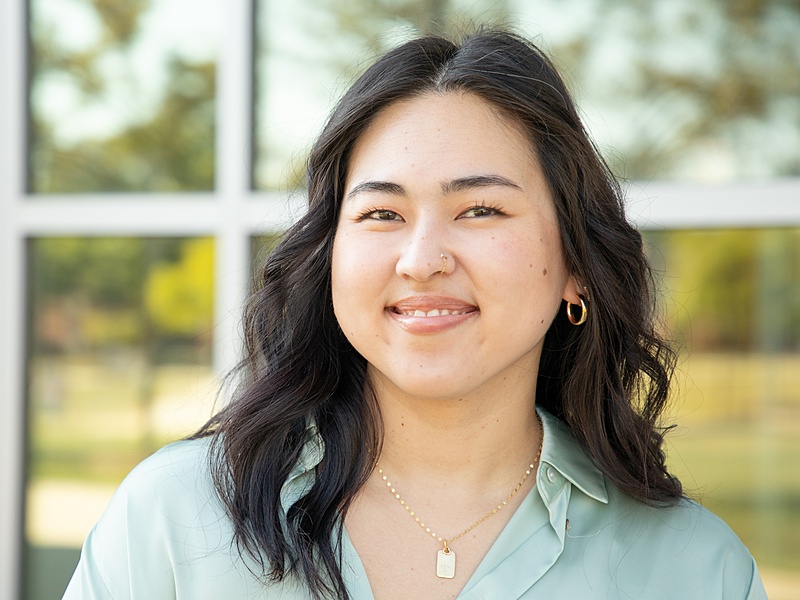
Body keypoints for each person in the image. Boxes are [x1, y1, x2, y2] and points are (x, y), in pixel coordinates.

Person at [63, 29, 767, 599]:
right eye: (381, 213)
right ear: (330, 257)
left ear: (575, 267)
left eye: (480, 209)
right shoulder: (172, 519)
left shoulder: (694, 570)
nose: (422, 257)